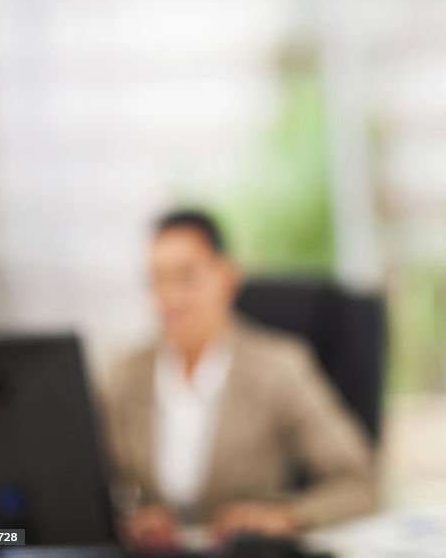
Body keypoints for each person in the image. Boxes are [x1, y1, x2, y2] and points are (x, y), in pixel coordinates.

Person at [103, 209, 378, 553]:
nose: (169, 298)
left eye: (186, 277)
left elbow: (359, 483)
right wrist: (131, 518)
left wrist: (288, 516)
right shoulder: (126, 374)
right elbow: (91, 486)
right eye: (157, 279)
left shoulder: (279, 367)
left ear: (227, 276)